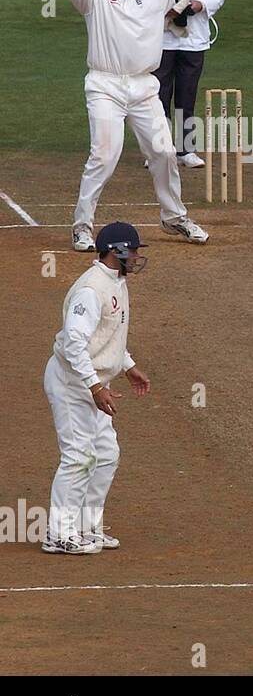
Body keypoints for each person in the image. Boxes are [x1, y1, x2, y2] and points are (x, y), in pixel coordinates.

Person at [64, 0, 209, 251]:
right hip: (105, 86)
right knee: (104, 156)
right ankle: (82, 227)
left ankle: (174, 217)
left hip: (144, 87)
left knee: (163, 151)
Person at [43, 222, 152, 555]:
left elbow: (109, 334)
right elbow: (75, 343)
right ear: (115, 251)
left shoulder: (116, 283)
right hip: (72, 382)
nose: (135, 257)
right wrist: (94, 386)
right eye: (132, 250)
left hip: (93, 381)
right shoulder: (91, 290)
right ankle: (58, 534)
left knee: (105, 455)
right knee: (79, 456)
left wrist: (128, 366)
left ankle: (86, 528)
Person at [135, 0, 228, 169]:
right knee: (157, 93)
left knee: (187, 94)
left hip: (194, 35)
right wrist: (165, 9)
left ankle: (185, 150)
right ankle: (158, 151)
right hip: (160, 35)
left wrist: (201, 5)